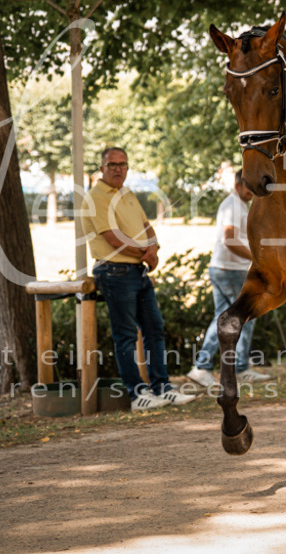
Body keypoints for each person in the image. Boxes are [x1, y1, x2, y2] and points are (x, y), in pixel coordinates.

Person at [83, 147, 196, 411]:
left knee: (154, 328)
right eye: (112, 165)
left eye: (123, 164)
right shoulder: (95, 197)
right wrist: (145, 254)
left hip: (138, 271)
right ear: (101, 168)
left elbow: (146, 226)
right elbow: (112, 238)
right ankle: (138, 394)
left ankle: (163, 388)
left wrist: (153, 248)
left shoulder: (127, 193)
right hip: (114, 271)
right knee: (125, 336)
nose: (118, 169)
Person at [187, 171, 271, 387]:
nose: (252, 191)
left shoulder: (240, 205)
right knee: (246, 316)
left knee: (223, 318)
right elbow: (230, 240)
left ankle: (206, 367)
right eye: (249, 186)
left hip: (228, 269)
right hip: (229, 270)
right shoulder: (232, 205)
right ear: (237, 184)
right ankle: (230, 367)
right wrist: (257, 259)